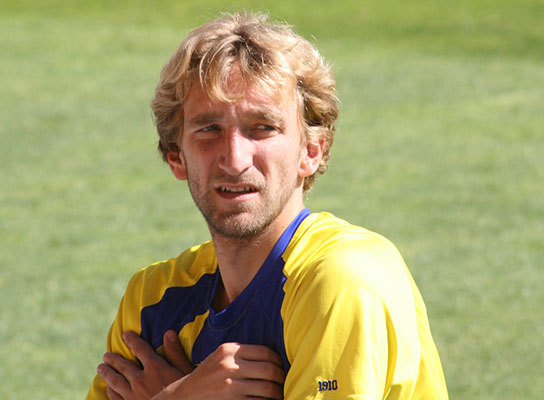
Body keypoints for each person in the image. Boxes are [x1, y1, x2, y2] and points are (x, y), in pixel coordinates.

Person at [87, 11, 448, 400]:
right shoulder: (151, 298)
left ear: (312, 150)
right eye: (209, 128)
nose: (235, 158)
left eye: (263, 127)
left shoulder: (342, 279)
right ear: (176, 156)